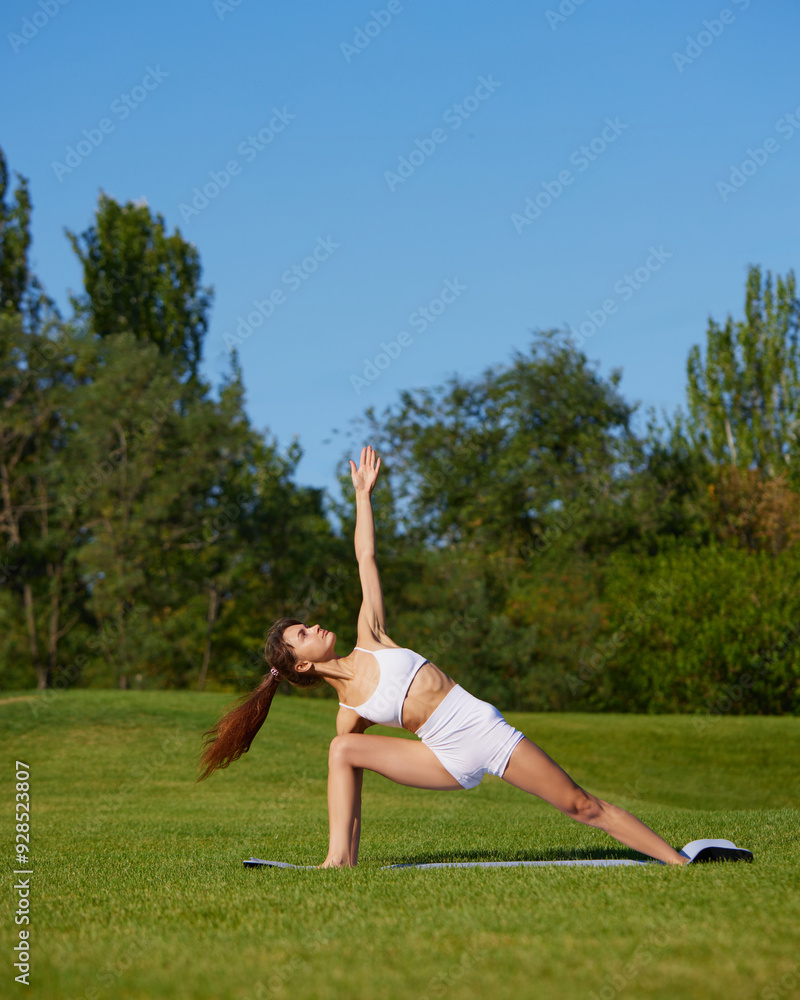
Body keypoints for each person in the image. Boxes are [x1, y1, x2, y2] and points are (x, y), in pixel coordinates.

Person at [197, 445, 691, 868]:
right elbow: (349, 780)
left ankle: (677, 861)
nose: (314, 626)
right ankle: (338, 862)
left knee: (580, 804)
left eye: (306, 625)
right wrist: (347, 835)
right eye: (303, 634)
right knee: (341, 751)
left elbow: (365, 558)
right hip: (442, 759)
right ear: (301, 664)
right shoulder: (349, 715)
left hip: (483, 730)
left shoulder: (370, 634)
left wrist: (363, 496)